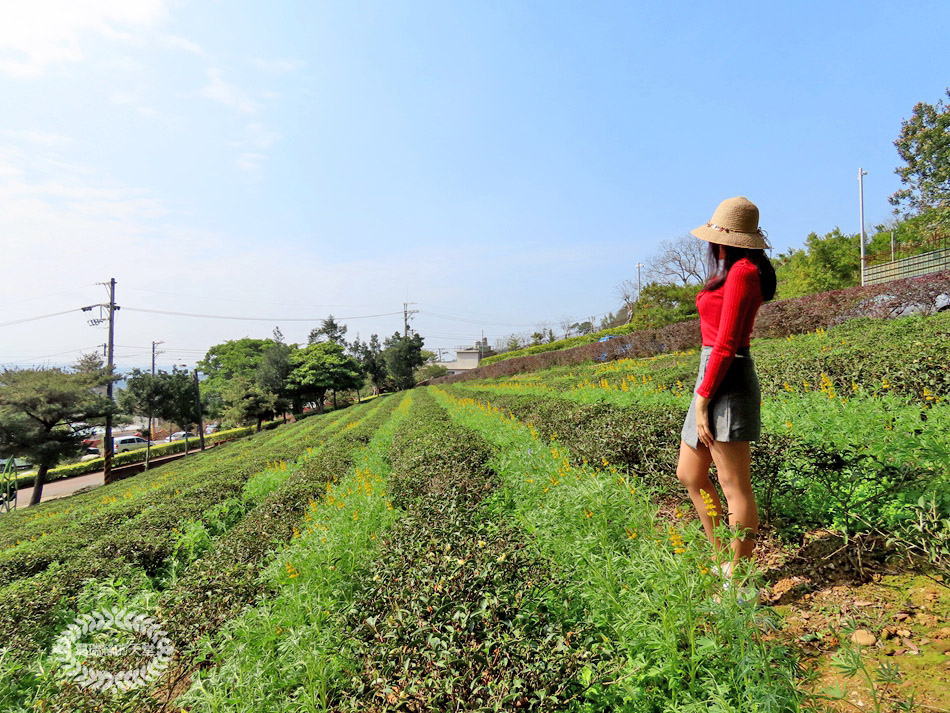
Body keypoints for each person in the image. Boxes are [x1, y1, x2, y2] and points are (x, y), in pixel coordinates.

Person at [675, 196, 777, 593]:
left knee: (736, 487)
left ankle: (740, 576)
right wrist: (702, 393)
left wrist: (703, 398)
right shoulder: (737, 269)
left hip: (727, 379)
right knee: (690, 473)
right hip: (711, 374)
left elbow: (728, 343)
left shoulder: (743, 273)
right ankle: (723, 557)